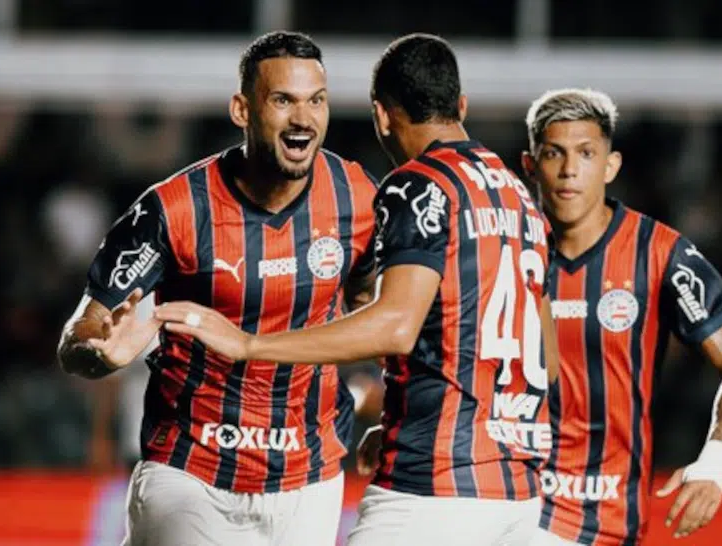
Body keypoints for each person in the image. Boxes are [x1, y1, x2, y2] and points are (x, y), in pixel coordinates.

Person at [155, 33, 559, 546]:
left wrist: (250, 344)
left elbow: (394, 327)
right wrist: (404, 421)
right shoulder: (520, 198)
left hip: (437, 485)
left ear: (382, 116)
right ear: (461, 106)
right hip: (518, 491)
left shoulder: (418, 184)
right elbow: (546, 356)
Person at [56, 31, 379, 546]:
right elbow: (80, 335)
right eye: (283, 100)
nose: (303, 118)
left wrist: (391, 405)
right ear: (241, 110)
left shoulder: (357, 197)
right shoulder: (174, 210)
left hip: (309, 480)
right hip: (192, 476)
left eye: (316, 101)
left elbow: (375, 309)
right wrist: (99, 353)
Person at [519, 88, 722, 545]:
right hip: (512, 504)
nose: (570, 170)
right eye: (554, 154)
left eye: (586, 154)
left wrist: (714, 463)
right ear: (530, 165)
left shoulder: (661, 253)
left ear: (611, 166)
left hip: (605, 518)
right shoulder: (504, 249)